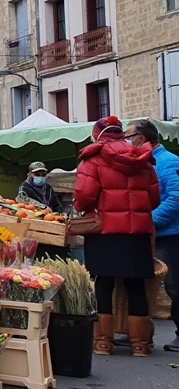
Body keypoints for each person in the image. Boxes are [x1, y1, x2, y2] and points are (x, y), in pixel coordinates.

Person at [73, 116, 160, 357]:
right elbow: (154, 199)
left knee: (104, 282)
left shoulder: (93, 160)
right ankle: (140, 344)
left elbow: (84, 196)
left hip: (106, 231)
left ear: (97, 135)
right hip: (137, 233)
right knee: (135, 285)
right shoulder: (143, 159)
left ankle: (103, 342)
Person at [125, 119, 179, 352]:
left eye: (129, 137)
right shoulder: (142, 163)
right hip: (148, 233)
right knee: (144, 284)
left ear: (142, 138)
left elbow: (176, 199)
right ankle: (141, 333)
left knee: (174, 285)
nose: (127, 142)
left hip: (169, 234)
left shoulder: (169, 162)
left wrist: (148, 220)